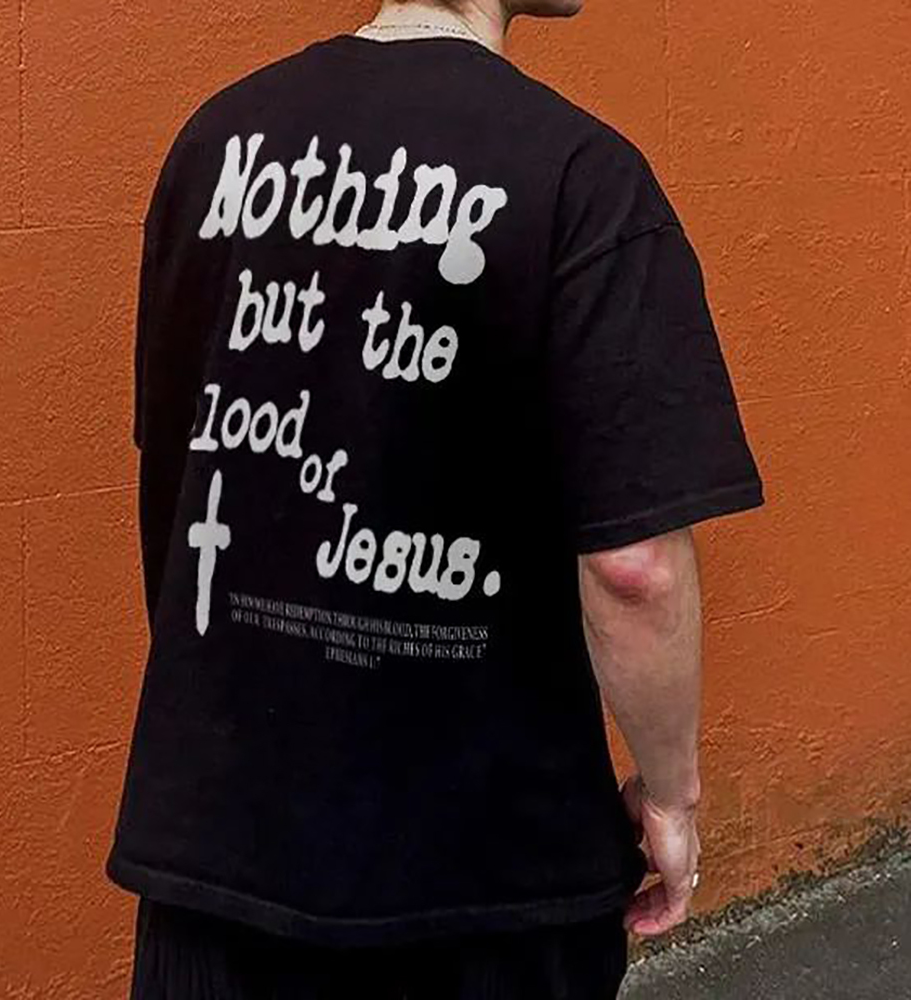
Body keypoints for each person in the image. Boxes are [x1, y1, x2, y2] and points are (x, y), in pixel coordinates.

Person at [105, 0, 765, 996]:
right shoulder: (581, 177)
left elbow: (180, 455)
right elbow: (634, 568)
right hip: (484, 881)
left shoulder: (212, 146)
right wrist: (671, 794)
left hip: (221, 849)